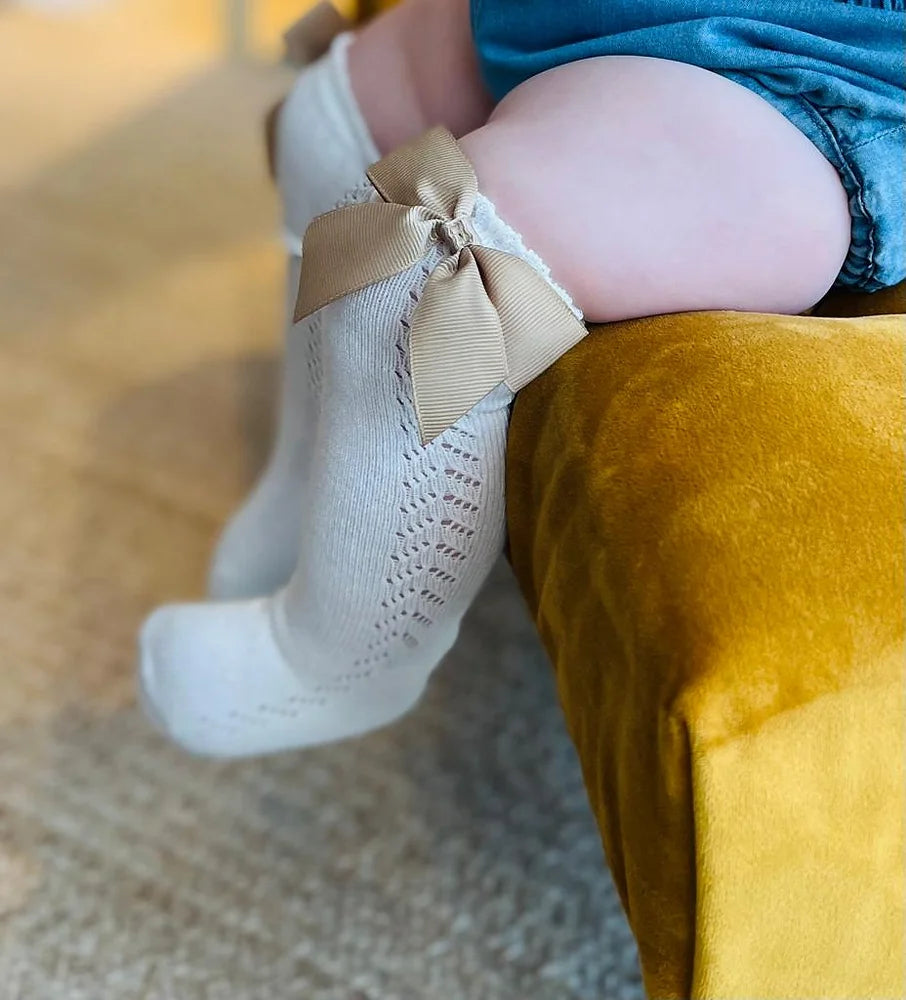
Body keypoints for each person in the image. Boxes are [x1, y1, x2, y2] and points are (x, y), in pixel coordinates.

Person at [138, 0, 905, 757]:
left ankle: (339, 657)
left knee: (428, 252)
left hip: (802, 66)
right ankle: (308, 481)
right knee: (332, 119)